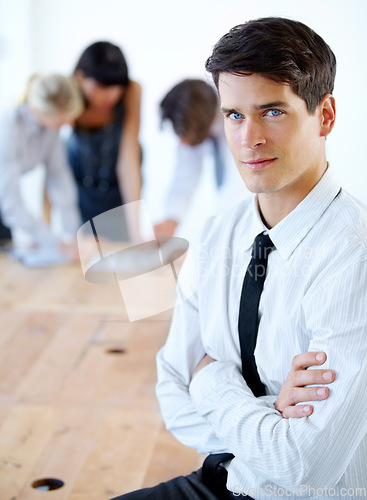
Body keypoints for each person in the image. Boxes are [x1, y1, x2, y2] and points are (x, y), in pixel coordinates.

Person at [111, 16, 367, 500]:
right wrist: (271, 417)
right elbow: (172, 395)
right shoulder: (216, 235)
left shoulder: (355, 258)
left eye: (272, 112)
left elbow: (303, 464)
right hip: (227, 479)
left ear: (326, 116)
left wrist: (210, 381)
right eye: (234, 115)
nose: (248, 138)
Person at [0, 73, 83, 261]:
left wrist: (74, 236)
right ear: (36, 111)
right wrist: (52, 241)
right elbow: (11, 203)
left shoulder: (51, 131)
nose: (69, 124)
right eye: (62, 120)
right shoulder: (6, 127)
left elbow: (60, 179)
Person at [66, 41, 142, 241]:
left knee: (124, 247)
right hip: (81, 185)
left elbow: (128, 163)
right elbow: (53, 164)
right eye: (102, 86)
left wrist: (138, 235)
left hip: (118, 188)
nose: (113, 94)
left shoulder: (132, 91)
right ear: (80, 78)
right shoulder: (67, 92)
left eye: (119, 87)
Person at [154, 79, 249, 239]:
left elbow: (237, 190)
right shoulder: (194, 121)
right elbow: (185, 176)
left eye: (183, 135)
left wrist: (213, 235)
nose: (182, 143)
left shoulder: (238, 125)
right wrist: (172, 217)